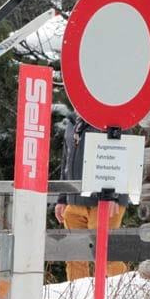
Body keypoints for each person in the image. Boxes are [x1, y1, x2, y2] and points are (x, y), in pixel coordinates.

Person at [54, 112, 129, 281]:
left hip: (104, 200)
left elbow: (125, 154)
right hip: (74, 200)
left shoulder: (112, 115)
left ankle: (121, 297)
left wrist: (115, 196)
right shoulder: (73, 121)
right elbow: (66, 161)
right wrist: (62, 198)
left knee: (106, 256)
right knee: (75, 258)